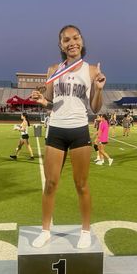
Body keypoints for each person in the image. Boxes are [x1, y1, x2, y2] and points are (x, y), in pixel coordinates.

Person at [31, 25, 106, 248]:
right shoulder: (54, 69)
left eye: (75, 38)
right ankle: (45, 231)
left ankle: (85, 230)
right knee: (51, 183)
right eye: (66, 40)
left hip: (79, 130)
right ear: (61, 45)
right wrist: (41, 99)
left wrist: (99, 88)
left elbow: (95, 108)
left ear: (81, 41)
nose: (71, 42)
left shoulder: (92, 70)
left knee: (81, 184)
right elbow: (50, 102)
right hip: (56, 129)